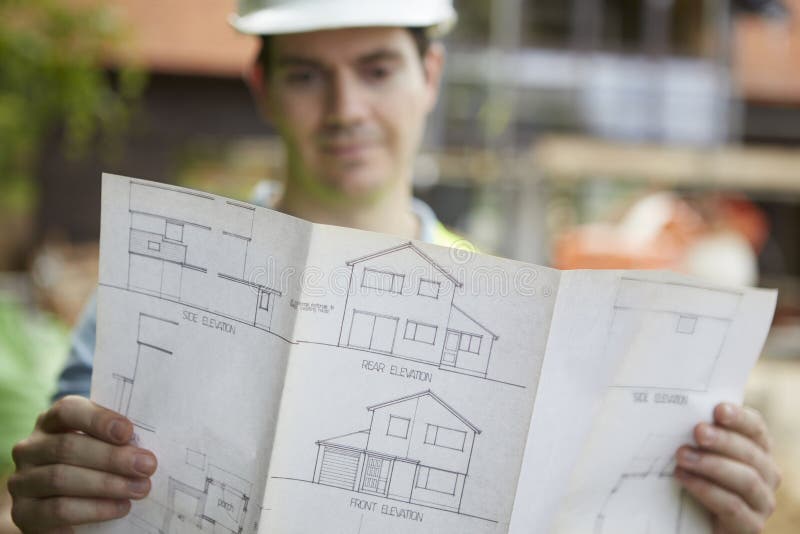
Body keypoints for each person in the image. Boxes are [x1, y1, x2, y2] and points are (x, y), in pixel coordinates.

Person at [7, 1, 781, 532]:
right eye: (308, 74)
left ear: (431, 77)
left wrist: (694, 510)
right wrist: (47, 508)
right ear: (263, 90)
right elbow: (57, 506)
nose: (346, 109)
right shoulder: (161, 285)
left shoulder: (513, 310)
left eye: (377, 69)